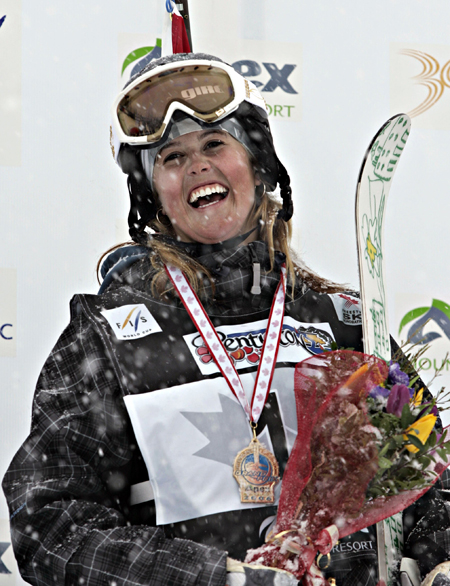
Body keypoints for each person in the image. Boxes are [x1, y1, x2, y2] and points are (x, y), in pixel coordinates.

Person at [2, 52, 449, 586]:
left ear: (258, 166)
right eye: (171, 157)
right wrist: (218, 578)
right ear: (154, 195)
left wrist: (439, 556)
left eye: (216, 143)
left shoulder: (344, 322)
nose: (197, 165)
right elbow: (51, 526)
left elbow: (431, 481)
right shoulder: (105, 340)